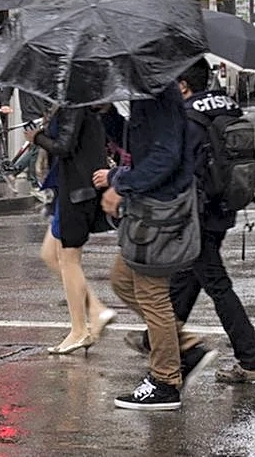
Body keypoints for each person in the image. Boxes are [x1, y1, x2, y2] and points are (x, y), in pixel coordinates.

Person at [125, 58, 255, 384]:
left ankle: (250, 355)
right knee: (190, 276)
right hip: (224, 206)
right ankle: (160, 338)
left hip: (197, 213)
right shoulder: (226, 106)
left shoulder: (189, 115)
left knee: (216, 283)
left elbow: (178, 164)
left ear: (183, 85)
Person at [94, 84, 217, 411]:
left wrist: (120, 184)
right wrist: (107, 114)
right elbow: (141, 146)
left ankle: (165, 382)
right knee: (123, 280)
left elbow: (164, 157)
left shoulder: (158, 91)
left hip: (159, 212)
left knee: (152, 295)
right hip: (148, 211)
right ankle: (185, 348)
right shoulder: (146, 91)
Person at [25, 106, 115, 354]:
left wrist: (37, 138)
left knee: (68, 259)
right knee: (49, 254)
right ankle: (95, 309)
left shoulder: (75, 103)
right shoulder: (77, 104)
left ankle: (79, 330)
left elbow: (64, 146)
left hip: (76, 190)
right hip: (68, 189)